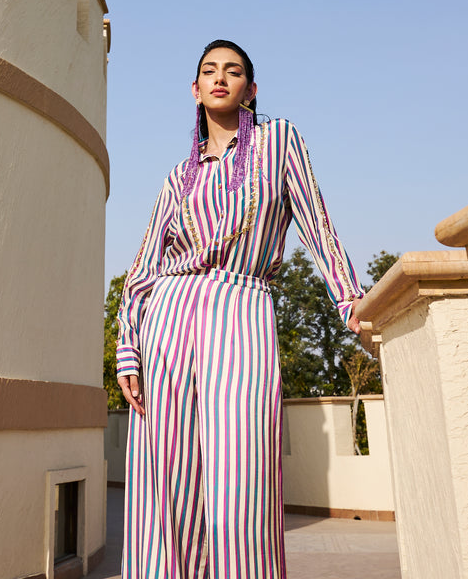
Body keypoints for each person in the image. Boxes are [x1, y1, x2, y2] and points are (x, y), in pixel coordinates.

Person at [116, 39, 364, 579]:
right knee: (169, 483)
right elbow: (141, 272)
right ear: (195, 89)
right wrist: (128, 351)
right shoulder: (176, 179)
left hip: (242, 309)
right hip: (169, 318)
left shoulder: (279, 144)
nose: (220, 78)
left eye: (233, 71)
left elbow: (319, 225)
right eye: (209, 71)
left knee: (240, 477)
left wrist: (352, 303)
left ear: (252, 89)